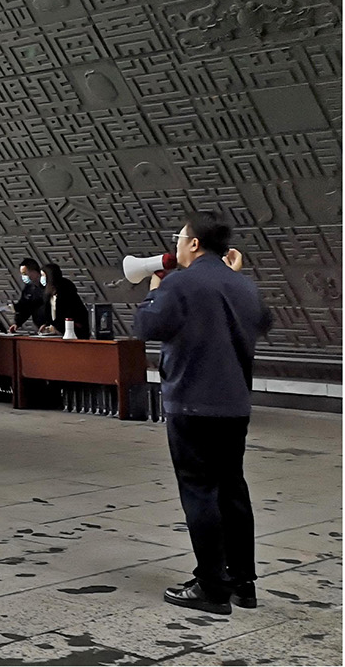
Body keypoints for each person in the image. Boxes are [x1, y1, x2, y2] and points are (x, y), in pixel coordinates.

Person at [134, 213, 269, 615]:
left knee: (199, 491)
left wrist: (155, 287)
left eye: (180, 238)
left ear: (193, 244)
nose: (176, 244)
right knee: (232, 489)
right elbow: (262, 321)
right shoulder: (241, 284)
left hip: (192, 402)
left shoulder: (180, 281)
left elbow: (146, 326)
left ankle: (211, 586)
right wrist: (231, 280)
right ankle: (243, 583)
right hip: (234, 404)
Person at [38, 263, 90, 339]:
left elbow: (69, 315)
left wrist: (56, 327)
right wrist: (47, 325)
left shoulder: (67, 292)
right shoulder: (48, 295)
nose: (41, 278)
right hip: (58, 335)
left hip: (74, 334)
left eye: (43, 275)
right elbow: (50, 315)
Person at [12, 258, 47, 332]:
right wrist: (17, 323)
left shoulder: (48, 286)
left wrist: (49, 324)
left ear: (34, 272)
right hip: (40, 327)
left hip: (53, 326)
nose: (23, 276)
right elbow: (25, 307)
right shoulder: (28, 288)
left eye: (25, 274)